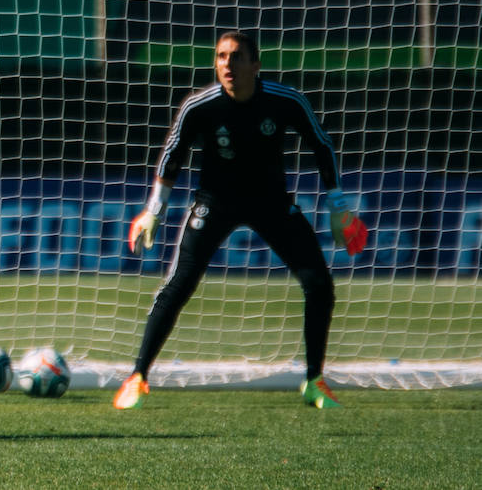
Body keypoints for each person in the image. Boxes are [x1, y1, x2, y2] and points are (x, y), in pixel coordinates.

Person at [113, 29, 367, 411]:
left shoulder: (286, 101)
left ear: (255, 64)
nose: (227, 64)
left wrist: (338, 206)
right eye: (220, 56)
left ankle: (314, 380)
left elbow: (322, 145)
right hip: (216, 204)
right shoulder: (200, 106)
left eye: (235, 56)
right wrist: (153, 211)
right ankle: (137, 377)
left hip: (271, 203)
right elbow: (172, 155)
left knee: (319, 284)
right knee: (177, 287)